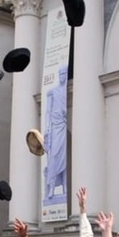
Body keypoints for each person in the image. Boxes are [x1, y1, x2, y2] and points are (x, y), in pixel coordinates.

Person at [43, 65, 68, 200]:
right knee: (53, 158)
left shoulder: (65, 91)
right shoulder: (52, 92)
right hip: (54, 128)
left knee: (63, 159)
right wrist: (47, 129)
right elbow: (47, 111)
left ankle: (64, 188)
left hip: (63, 126)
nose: (63, 77)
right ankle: (51, 188)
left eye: (64, 74)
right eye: (61, 75)